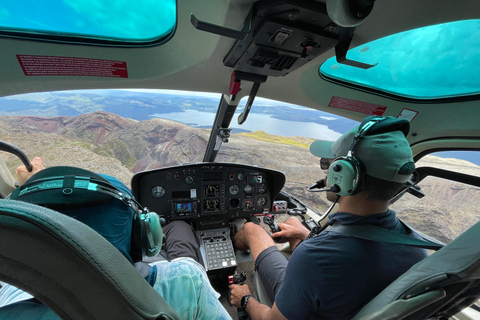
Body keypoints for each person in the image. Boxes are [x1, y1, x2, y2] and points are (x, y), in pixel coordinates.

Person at [229, 116, 429, 320]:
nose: (325, 172)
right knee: (293, 223)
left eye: (329, 164)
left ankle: (230, 244)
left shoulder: (313, 259)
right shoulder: (417, 247)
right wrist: (304, 235)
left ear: (344, 175)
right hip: (339, 299)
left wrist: (245, 298)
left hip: (301, 303)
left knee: (253, 230)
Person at [0, 157, 232, 320]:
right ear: (142, 236)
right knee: (180, 228)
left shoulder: (6, 297)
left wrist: (33, 188)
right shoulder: (185, 282)